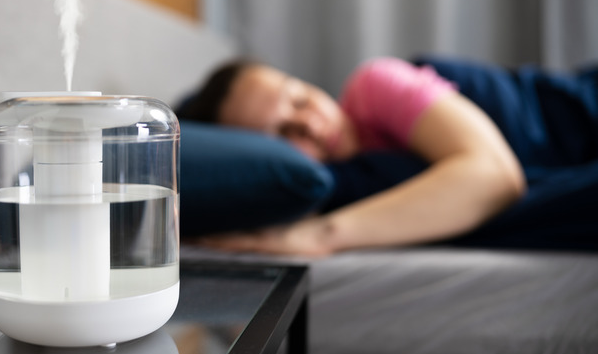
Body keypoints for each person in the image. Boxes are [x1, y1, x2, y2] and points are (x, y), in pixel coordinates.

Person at [177, 57, 536, 257]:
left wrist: (321, 236)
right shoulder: (317, 189)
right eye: (285, 135)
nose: (312, 125)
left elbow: (496, 176)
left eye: (300, 99)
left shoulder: (372, 86)